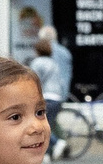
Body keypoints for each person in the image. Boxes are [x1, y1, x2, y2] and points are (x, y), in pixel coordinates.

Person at [29, 28, 71, 157]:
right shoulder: (55, 62)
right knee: (49, 123)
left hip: (46, 97)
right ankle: (49, 152)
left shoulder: (37, 63)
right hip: (57, 96)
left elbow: (33, 81)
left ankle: (58, 143)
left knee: (41, 125)